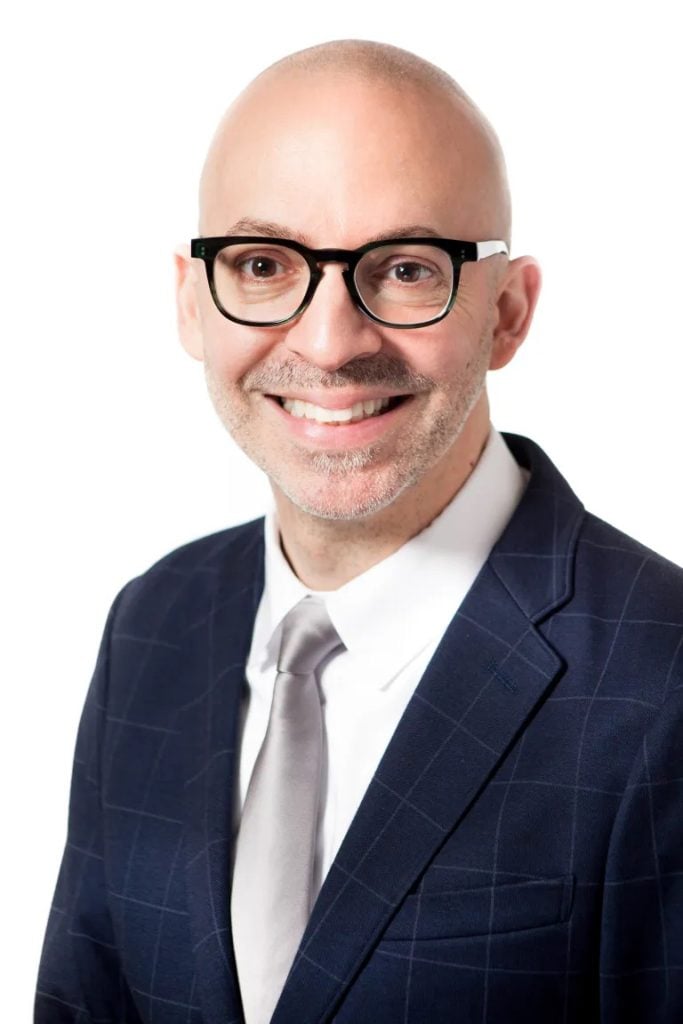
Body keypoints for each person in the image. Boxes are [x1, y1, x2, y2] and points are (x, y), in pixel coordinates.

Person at [35, 38, 683, 1024]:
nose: (330, 342)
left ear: (506, 311)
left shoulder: (660, 678)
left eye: (406, 270)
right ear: (191, 301)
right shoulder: (151, 625)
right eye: (261, 263)